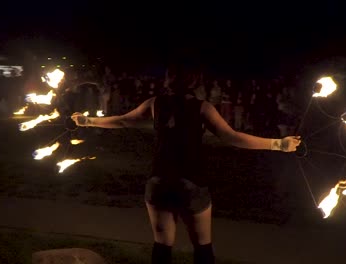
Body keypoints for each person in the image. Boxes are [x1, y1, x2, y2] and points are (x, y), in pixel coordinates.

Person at [71, 66, 301, 264]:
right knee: (202, 246)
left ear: (169, 79)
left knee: (162, 246)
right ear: (196, 82)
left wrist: (87, 121)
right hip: (190, 182)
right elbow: (232, 137)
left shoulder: (155, 103)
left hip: (159, 181)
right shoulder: (202, 107)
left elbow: (122, 120)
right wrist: (278, 144)